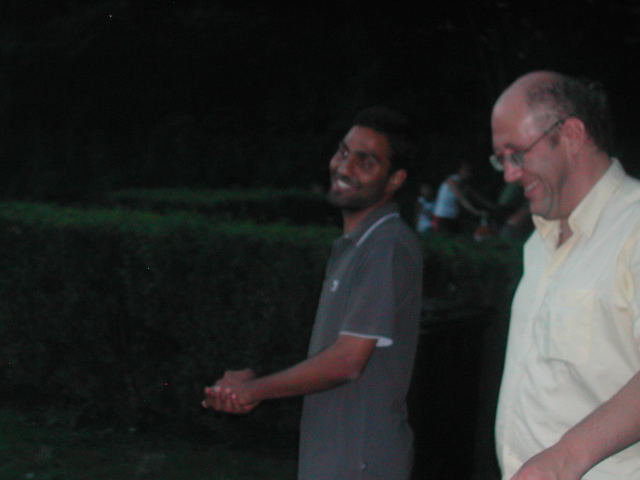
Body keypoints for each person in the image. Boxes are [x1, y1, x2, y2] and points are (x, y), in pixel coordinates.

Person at [202, 106, 423, 480]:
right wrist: (254, 375)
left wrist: (255, 390)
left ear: (395, 179)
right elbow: (328, 349)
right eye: (343, 152)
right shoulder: (356, 244)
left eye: (366, 161)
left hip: (359, 461)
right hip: (335, 456)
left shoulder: (385, 246)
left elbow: (347, 360)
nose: (345, 168)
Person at [490, 71, 640, 480]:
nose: (509, 175)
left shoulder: (634, 227)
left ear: (572, 135)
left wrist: (561, 460)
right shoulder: (538, 244)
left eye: (516, 154)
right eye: (501, 159)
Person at [431, 161, 493, 233]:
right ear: (460, 170)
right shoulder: (451, 180)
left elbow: (476, 197)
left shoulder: (462, 183)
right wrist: (476, 212)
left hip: (453, 217)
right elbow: (462, 199)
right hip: (441, 217)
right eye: (466, 170)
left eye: (470, 171)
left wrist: (492, 206)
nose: (469, 173)